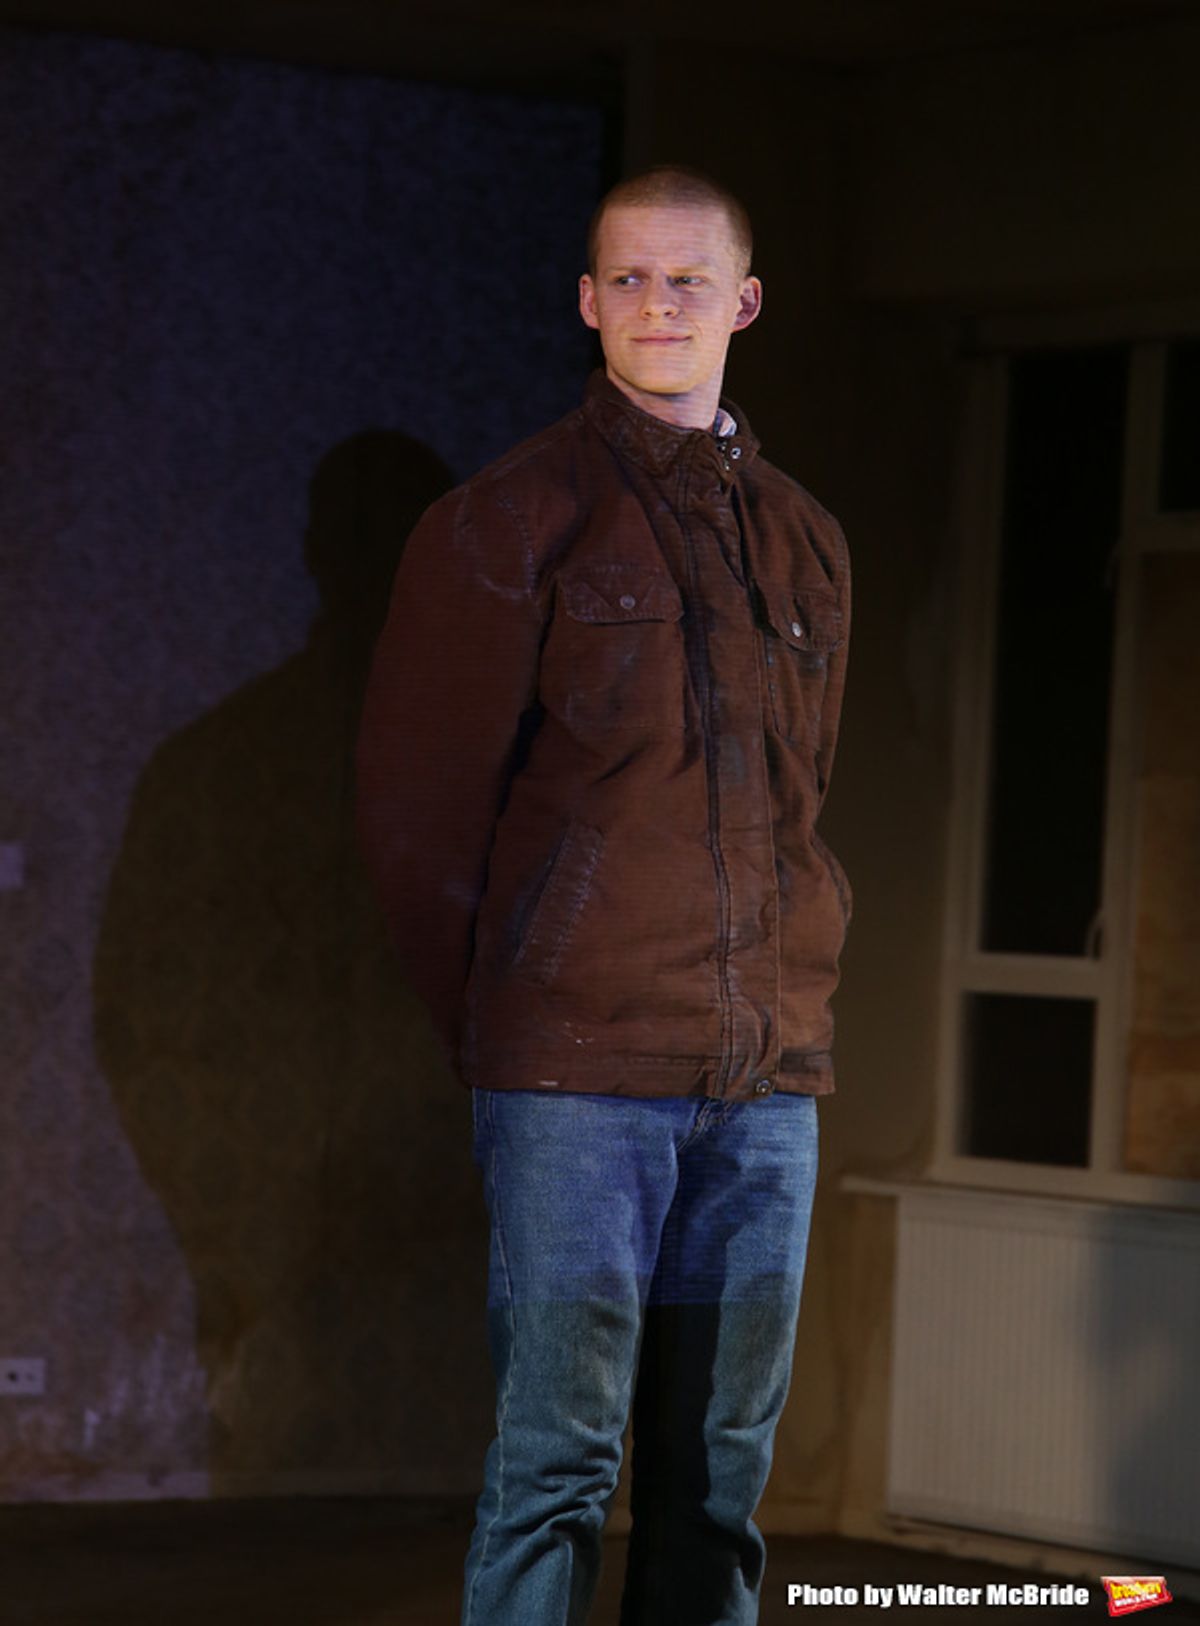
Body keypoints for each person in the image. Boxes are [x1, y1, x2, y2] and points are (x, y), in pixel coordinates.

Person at [356, 164, 851, 1626]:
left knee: (715, 1481)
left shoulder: (808, 537)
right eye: (627, 279)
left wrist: (791, 996)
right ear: (586, 301)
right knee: (557, 1466)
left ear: (743, 303)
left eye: (687, 280)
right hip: (576, 1077)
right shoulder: (510, 520)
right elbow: (420, 821)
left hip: (768, 1080)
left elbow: (799, 800)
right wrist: (523, 1022)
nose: (657, 305)